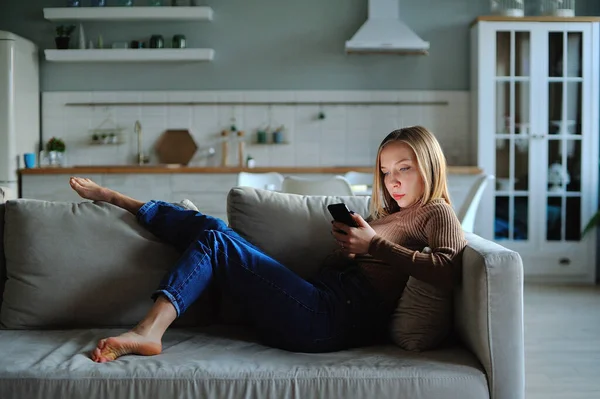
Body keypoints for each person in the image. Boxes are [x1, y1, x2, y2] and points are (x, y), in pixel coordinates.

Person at [69, 125, 467, 363]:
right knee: (212, 227)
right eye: (385, 171)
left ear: (428, 166)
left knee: (215, 241)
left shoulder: (436, 213)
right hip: (318, 301)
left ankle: (149, 332)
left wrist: (373, 247)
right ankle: (120, 200)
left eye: (404, 168)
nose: (392, 180)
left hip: (330, 321)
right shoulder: (384, 216)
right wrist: (352, 250)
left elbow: (449, 271)